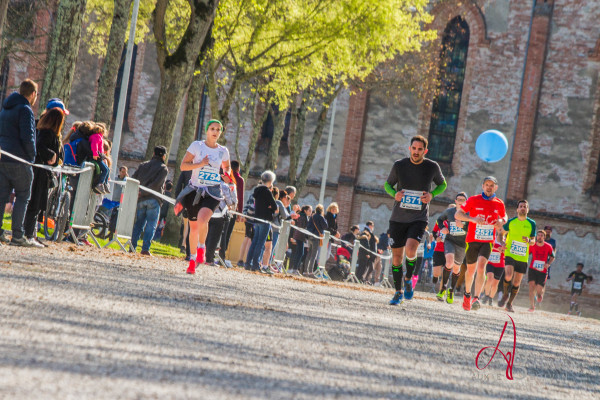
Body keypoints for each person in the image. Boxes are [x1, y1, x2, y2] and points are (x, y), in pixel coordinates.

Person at [384, 135, 447, 305]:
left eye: (420, 149)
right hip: (398, 218)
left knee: (411, 250)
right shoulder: (399, 165)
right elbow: (387, 185)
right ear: (410, 148)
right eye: (414, 148)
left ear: (425, 151)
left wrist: (432, 194)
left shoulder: (431, 167)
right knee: (396, 258)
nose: (416, 152)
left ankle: (409, 278)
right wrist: (394, 194)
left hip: (418, 218)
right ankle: (398, 292)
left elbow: (443, 184)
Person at [178, 119, 230, 273]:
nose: (215, 132)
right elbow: (183, 165)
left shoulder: (223, 151)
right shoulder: (197, 146)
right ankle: (193, 258)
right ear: (207, 131)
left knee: (202, 220)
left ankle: (202, 246)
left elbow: (227, 169)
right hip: (195, 190)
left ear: (220, 132)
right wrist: (200, 164)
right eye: (212, 129)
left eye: (218, 129)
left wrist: (226, 175)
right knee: (193, 227)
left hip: (213, 192)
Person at [455, 176, 507, 311]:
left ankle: (476, 298)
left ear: (496, 187)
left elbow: (504, 216)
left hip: (488, 241)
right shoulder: (473, 200)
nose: (489, 187)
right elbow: (458, 214)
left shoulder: (499, 203)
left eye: (492, 185)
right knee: (471, 269)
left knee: (482, 266)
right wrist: (472, 219)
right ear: (483, 186)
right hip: (472, 239)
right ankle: (467, 294)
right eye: (487, 185)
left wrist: (502, 221)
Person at [0, 79, 38, 247]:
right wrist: (32, 157)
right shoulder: (25, 110)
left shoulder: (5, 108)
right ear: (32, 94)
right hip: (19, 160)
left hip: (3, 157)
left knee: (1, 197)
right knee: (23, 196)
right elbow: (27, 137)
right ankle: (17, 235)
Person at [23, 108, 65, 247]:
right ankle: (28, 234)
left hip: (41, 173)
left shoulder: (44, 131)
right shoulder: (47, 133)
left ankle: (31, 234)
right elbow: (40, 146)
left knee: (36, 205)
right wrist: (51, 155)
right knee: (34, 204)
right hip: (39, 173)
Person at [130, 146, 169, 256]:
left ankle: (132, 246)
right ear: (164, 156)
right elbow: (157, 184)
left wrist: (140, 192)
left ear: (153, 153)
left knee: (138, 224)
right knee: (151, 225)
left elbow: (134, 178)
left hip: (141, 199)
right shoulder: (163, 168)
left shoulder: (143, 165)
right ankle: (145, 248)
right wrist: (145, 192)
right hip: (153, 199)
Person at [497, 199, 536, 313]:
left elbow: (533, 240)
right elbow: (501, 234)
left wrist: (529, 240)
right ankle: (505, 294)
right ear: (517, 209)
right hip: (510, 252)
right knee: (508, 275)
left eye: (525, 206)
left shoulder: (531, 223)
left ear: (527, 210)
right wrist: (502, 243)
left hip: (523, 256)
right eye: (521, 206)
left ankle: (509, 303)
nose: (523, 208)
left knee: (516, 282)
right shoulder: (511, 221)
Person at [436, 193, 469, 303]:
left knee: (456, 268)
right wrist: (443, 228)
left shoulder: (468, 214)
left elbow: (473, 228)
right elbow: (439, 219)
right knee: (449, 262)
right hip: (450, 240)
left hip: (462, 245)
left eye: (463, 200)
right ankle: (443, 288)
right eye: (459, 199)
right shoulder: (450, 212)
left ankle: (451, 290)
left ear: (466, 201)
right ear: (455, 200)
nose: (460, 201)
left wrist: (463, 226)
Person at [245, 170, 278, 272]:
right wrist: (270, 208)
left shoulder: (257, 190)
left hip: (257, 218)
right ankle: (256, 264)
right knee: (261, 242)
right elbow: (275, 207)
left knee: (254, 241)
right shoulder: (267, 191)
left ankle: (248, 263)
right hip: (265, 219)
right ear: (271, 181)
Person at [205, 171, 237, 266]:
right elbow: (229, 201)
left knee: (205, 235)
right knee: (214, 238)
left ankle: (200, 256)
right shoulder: (225, 186)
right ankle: (209, 259)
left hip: (208, 212)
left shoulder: (209, 183)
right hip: (219, 214)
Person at [527, 230, 555, 312]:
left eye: (541, 235)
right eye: (538, 235)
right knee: (531, 287)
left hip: (542, 271)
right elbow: (526, 254)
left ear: (544, 237)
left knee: (539, 289)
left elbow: (553, 257)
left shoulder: (548, 246)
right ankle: (532, 306)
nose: (539, 237)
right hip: (533, 269)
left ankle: (539, 295)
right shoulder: (532, 245)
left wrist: (548, 264)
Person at [481, 232, 506, 306]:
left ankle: (491, 298)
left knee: (495, 283)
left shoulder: (505, 241)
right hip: (490, 262)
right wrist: (496, 248)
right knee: (489, 278)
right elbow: (487, 246)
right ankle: (486, 295)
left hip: (500, 265)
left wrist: (503, 250)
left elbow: (507, 252)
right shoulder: (492, 238)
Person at [304, 204, 328, 277]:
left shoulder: (312, 216)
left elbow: (308, 226)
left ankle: (305, 271)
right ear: (321, 210)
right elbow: (325, 226)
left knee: (309, 254)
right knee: (314, 255)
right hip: (316, 237)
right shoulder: (321, 217)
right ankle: (311, 272)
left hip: (310, 236)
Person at [289, 205, 312, 275]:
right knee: (300, 253)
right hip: (300, 236)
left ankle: (295, 269)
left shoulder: (303, 216)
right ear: (305, 211)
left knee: (299, 253)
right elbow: (302, 226)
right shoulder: (303, 216)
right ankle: (295, 269)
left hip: (300, 236)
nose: (310, 212)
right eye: (309, 210)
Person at [175, 170, 192, 260]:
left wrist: (178, 200)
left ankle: (183, 244)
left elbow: (178, 187)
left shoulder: (186, 170)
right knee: (192, 226)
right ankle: (188, 246)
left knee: (186, 225)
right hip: (196, 200)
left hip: (186, 199)